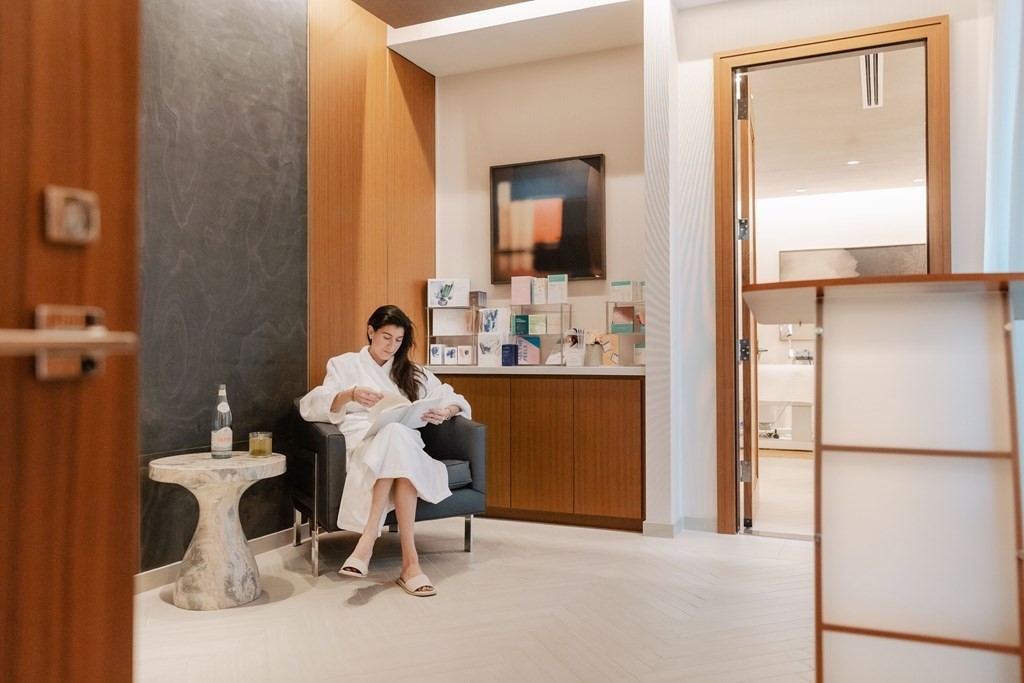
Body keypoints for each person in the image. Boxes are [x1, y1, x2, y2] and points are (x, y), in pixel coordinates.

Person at [299, 305, 471, 597]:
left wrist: (446, 411)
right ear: (371, 331)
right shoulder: (343, 364)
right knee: (395, 438)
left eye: (399, 340)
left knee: (395, 432)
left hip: (401, 440)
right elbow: (312, 404)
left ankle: (366, 542)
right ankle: (410, 565)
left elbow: (453, 397)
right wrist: (350, 394)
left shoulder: (411, 372)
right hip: (361, 442)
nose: (392, 346)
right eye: (386, 337)